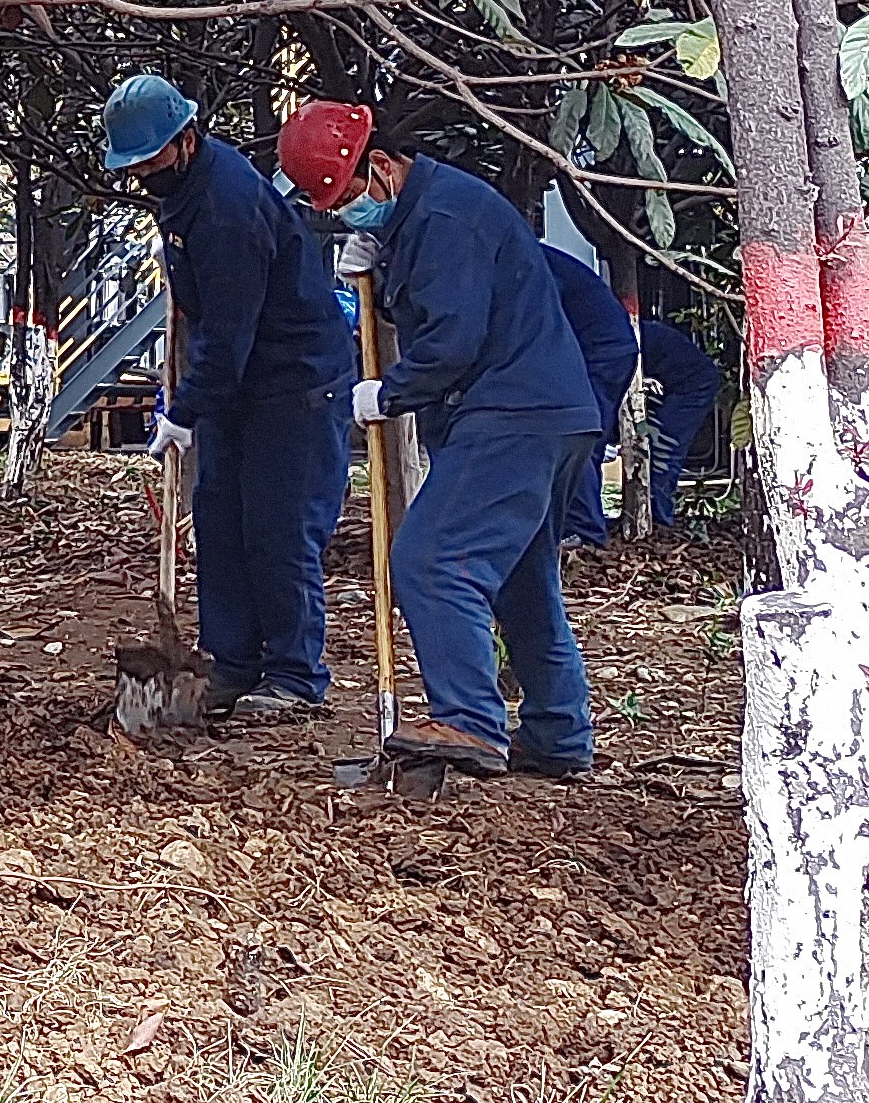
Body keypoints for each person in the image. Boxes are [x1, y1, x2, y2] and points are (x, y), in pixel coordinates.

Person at [279, 100, 596, 778]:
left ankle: (470, 721)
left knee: (430, 557)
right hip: (546, 411)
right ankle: (559, 735)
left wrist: (388, 393)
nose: (346, 213)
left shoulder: (448, 218)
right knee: (520, 582)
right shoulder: (427, 216)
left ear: (384, 167)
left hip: (511, 413)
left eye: (351, 196)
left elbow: (452, 339)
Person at [101, 72, 353, 718]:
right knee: (220, 521)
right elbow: (207, 317)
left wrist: (184, 411)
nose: (142, 175)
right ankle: (232, 662)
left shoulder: (227, 206)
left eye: (150, 160)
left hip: (292, 380)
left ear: (186, 139)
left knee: (278, 529)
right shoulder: (184, 193)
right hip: (239, 381)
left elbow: (231, 329)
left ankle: (295, 676)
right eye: (133, 166)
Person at [542, 245, 642, 547]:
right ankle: (580, 524)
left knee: (579, 436)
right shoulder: (531, 256)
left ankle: (585, 531)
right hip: (602, 348)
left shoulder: (526, 261)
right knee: (583, 435)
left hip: (602, 352)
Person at [640, 307, 727, 528]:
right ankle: (654, 515)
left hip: (692, 384)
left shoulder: (621, 335)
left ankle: (660, 519)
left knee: (663, 449)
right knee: (657, 445)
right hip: (672, 379)